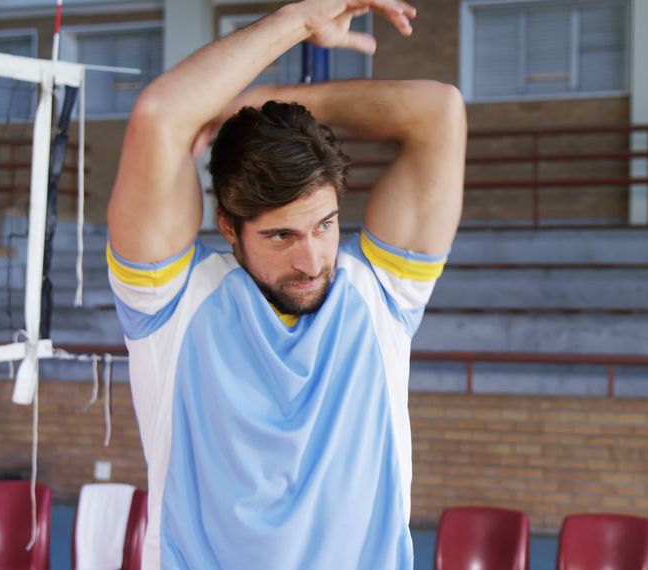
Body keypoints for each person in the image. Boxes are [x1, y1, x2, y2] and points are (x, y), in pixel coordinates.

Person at [104, 0, 466, 566]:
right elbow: (160, 115)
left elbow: (440, 110)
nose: (311, 259)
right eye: (281, 237)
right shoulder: (170, 302)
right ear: (228, 226)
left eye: (324, 225)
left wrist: (266, 104)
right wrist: (299, 21)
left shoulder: (381, 292)